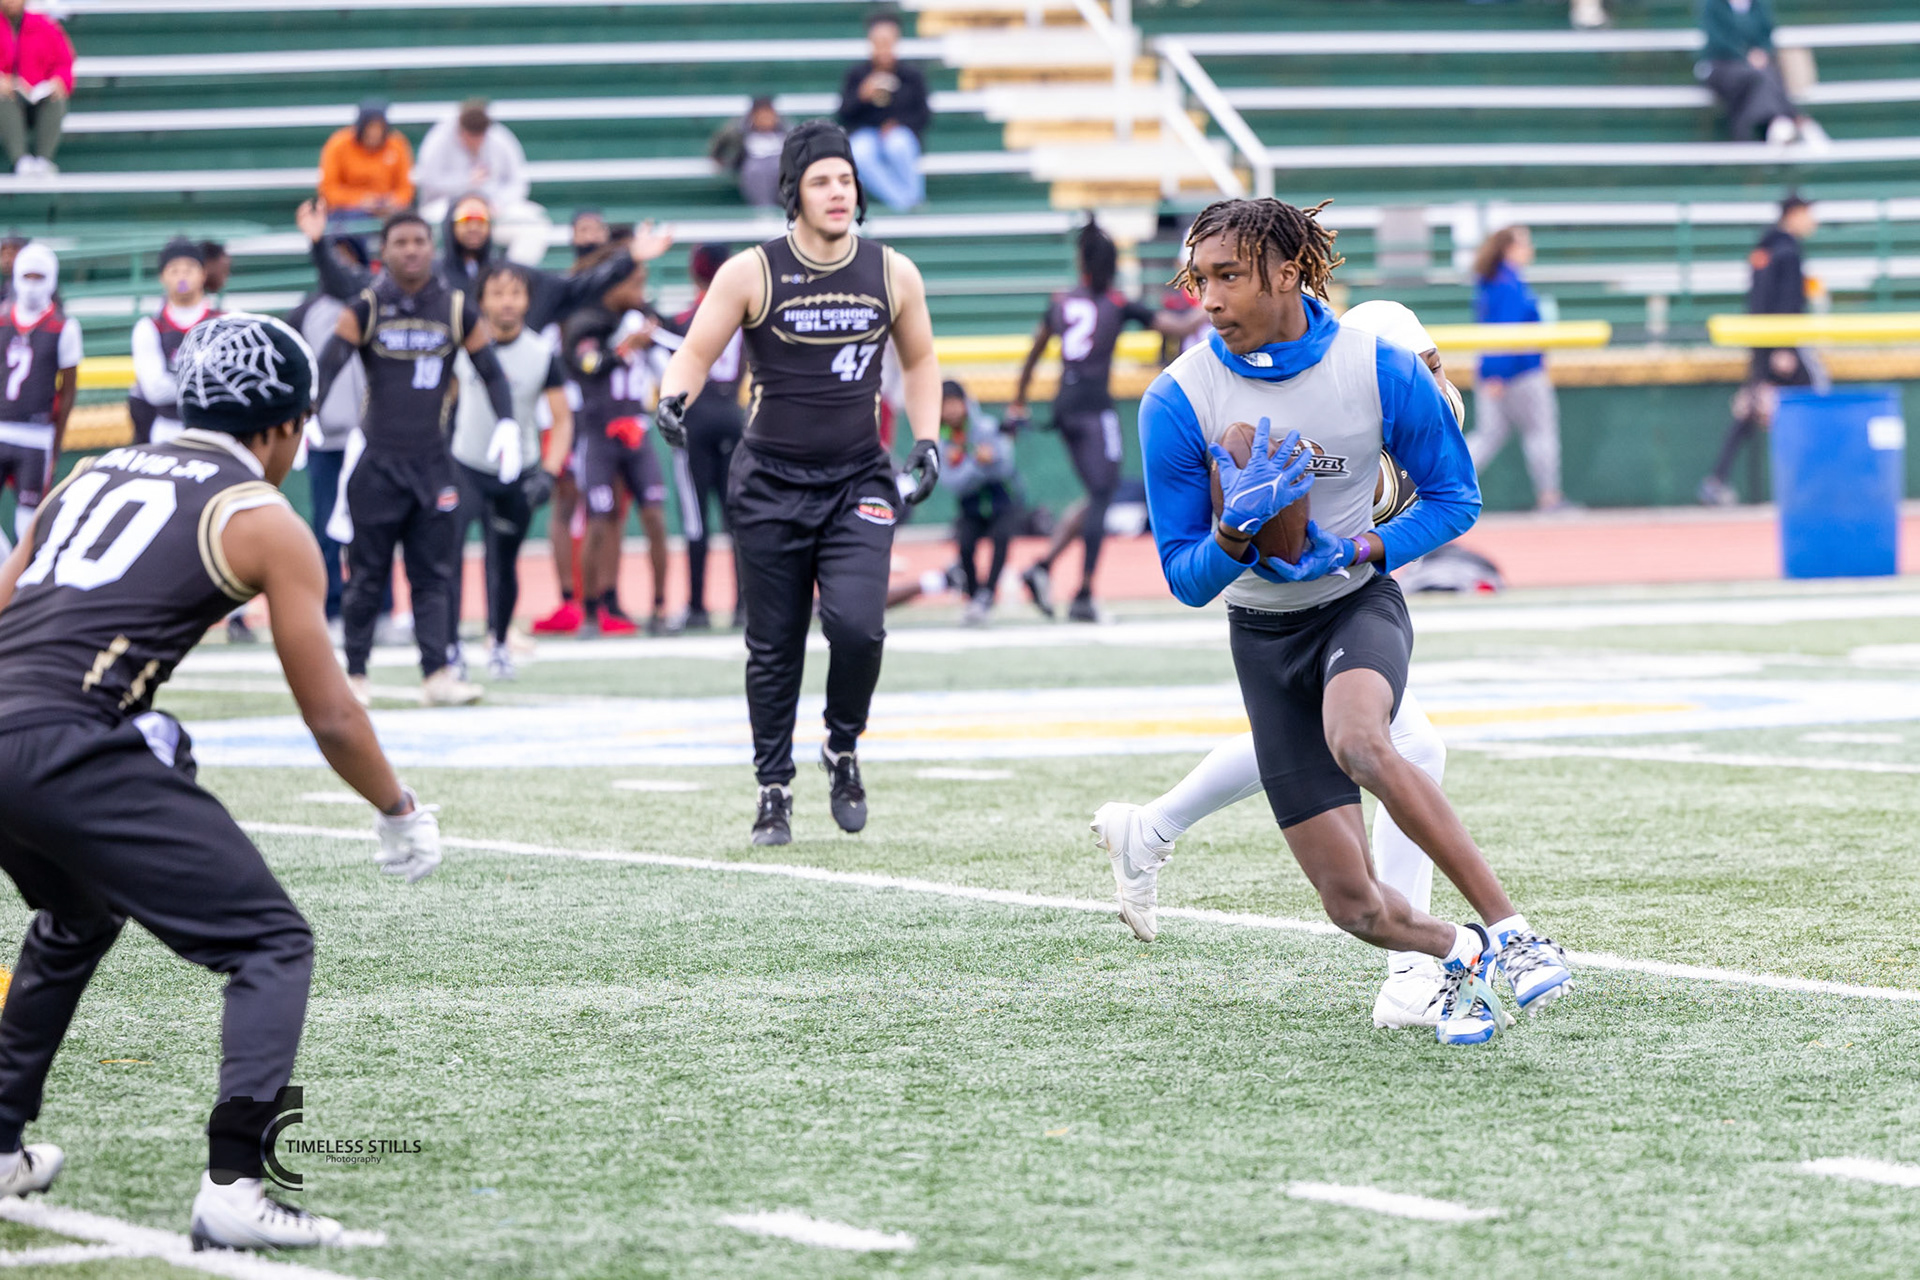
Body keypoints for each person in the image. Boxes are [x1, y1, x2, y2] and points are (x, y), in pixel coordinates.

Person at [0, 312, 443, 1249]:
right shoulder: (259, 515)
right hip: (61, 738)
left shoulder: (86, 477)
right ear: (284, 425)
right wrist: (397, 807)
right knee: (272, 943)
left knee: (78, 914)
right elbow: (330, 714)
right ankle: (237, 1187)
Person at [1136, 196, 1572, 1044]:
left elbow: (1456, 499)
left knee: (1367, 741)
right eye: (1199, 280)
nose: (1209, 299)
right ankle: (1460, 953)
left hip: (1354, 604)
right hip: (1262, 635)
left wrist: (1361, 547)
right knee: (1353, 906)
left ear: (1287, 272)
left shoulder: (1379, 367)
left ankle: (1515, 934)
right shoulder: (1177, 399)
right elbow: (1186, 580)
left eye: (1228, 277)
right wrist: (1234, 535)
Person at [1095, 297, 1471, 1029]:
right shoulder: (1344, 409)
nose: (1434, 379)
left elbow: (1436, 501)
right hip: (1289, 613)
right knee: (1402, 745)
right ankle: (1411, 974)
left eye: (1434, 363)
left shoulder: (1404, 402)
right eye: (1420, 365)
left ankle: (1151, 828)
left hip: (1346, 605)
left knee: (1339, 737)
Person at [656, 120, 943, 845]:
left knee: (858, 627)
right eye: (821, 181)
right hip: (769, 484)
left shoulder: (893, 272)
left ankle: (841, 746)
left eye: (846, 179)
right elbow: (695, 351)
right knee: (774, 643)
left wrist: (927, 438)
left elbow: (919, 362)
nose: (838, 191)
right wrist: (672, 397)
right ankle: (773, 788)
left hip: (859, 480)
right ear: (794, 193)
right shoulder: (751, 271)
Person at [314, 210, 518, 708]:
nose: (411, 250)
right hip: (377, 463)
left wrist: (508, 423)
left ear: (432, 247)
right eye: (401, 241)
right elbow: (330, 361)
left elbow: (491, 370)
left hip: (432, 463)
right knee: (366, 575)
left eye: (419, 241)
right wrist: (309, 413)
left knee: (433, 575)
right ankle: (355, 675)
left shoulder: (456, 308)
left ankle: (437, 674)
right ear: (385, 250)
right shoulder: (366, 306)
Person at [1010, 220, 1202, 622]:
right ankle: (1083, 593)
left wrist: (1018, 403)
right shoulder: (1116, 303)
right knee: (1102, 495)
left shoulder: (1062, 302)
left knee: (1097, 494)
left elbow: (1033, 353)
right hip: (1095, 408)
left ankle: (1043, 567)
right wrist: (1217, 299)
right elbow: (1181, 326)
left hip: (1063, 405)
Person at [448, 264, 571, 678]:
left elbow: (562, 419)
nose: (507, 302)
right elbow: (444, 403)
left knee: (503, 562)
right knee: (448, 558)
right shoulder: (463, 348)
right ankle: (450, 648)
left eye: (515, 293)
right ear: (481, 300)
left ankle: (499, 642)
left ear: (528, 300)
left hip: (517, 472)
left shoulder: (541, 353)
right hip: (466, 465)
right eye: (497, 293)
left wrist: (548, 473)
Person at [563, 249, 673, 636]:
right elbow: (588, 365)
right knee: (597, 521)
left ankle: (659, 608)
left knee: (655, 518)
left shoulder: (644, 318)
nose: (640, 291)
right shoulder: (586, 321)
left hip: (636, 432)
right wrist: (627, 345)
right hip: (599, 433)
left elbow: (670, 360)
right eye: (634, 283)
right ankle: (590, 611)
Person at [1700, 194, 1822, 506]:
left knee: (1752, 408)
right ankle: (1813, 481)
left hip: (1762, 343)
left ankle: (1717, 480)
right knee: (1814, 399)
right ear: (1793, 214)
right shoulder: (1786, 250)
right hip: (1780, 343)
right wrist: (1783, 346)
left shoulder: (1765, 248)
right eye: (1808, 213)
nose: (1813, 221)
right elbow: (1785, 300)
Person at [653, 243, 746, 631]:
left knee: (696, 520)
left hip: (695, 422)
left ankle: (697, 607)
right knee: (737, 518)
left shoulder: (684, 320)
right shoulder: (744, 317)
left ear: (695, 272)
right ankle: (744, 607)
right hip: (733, 418)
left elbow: (668, 348)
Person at [288, 237, 369, 624]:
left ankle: (378, 608)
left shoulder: (373, 304)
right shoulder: (306, 310)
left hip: (368, 437)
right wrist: (305, 417)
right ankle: (331, 608)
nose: (340, 266)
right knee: (326, 528)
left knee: (373, 528)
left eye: (348, 259)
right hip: (325, 438)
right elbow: (292, 364)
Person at [1465, 225, 1567, 512]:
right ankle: (1549, 498)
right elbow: (1505, 331)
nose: (1530, 249)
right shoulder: (1507, 283)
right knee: (1538, 433)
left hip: (1500, 371)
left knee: (1488, 436)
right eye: (1524, 244)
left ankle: (1442, 487)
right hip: (1519, 372)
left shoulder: (1497, 280)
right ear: (1509, 249)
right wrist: (1497, 373)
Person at [0, 242, 77, 555]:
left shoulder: (64, 327)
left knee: (28, 524)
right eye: (27, 276)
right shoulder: (2, 319)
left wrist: (56, 442)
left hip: (36, 435)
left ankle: (19, 578)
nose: (32, 284)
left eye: (39, 276)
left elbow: (68, 390)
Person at [415, 98, 550, 266]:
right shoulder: (439, 139)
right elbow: (428, 180)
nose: (476, 142)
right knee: (423, 228)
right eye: (470, 136)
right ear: (460, 130)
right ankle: (436, 274)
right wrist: (465, 185)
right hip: (446, 209)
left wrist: (496, 203)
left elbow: (518, 183)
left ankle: (512, 274)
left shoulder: (500, 138)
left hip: (493, 209)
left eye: (480, 137)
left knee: (533, 225)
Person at [939, 379, 1019, 626]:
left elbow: (1005, 465)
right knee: (964, 546)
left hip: (1001, 501)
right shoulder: (941, 440)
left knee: (1001, 539)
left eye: (955, 403)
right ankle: (973, 596)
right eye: (945, 405)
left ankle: (988, 594)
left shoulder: (986, 427)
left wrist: (977, 463)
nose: (952, 410)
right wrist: (977, 463)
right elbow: (952, 482)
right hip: (970, 507)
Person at [1696, 0, 1827, 149]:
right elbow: (1717, 40)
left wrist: (1761, 52)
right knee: (1763, 76)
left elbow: (1766, 33)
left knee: (1763, 75)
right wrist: (1746, 56)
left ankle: (1774, 125)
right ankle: (1792, 119)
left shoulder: (1759, 4)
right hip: (1721, 66)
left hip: (1753, 67)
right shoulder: (1713, 4)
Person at [128, 239, 220, 447]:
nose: (182, 276)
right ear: (162, 276)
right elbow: (156, 391)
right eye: (174, 270)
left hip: (214, 429)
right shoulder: (149, 327)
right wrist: (210, 384)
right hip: (167, 429)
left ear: (203, 274)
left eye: (189, 269)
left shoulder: (223, 322)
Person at [836, 11, 930, 212]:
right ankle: (904, 203)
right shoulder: (857, 75)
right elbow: (843, 114)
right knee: (860, 152)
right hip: (866, 132)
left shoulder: (911, 75)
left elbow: (923, 114)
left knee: (898, 144)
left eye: (888, 41)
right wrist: (861, 96)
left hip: (900, 132)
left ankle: (914, 199)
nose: (883, 47)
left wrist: (899, 123)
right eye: (879, 42)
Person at [0, 0, 72, 176]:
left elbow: (64, 63)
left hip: (37, 96)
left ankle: (43, 160)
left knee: (56, 98)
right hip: (8, 99)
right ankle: (20, 160)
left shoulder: (43, 25)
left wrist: (58, 81)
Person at [317, 98, 414, 226]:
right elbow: (329, 190)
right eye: (370, 128)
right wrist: (360, 200)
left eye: (379, 128)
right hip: (348, 212)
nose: (374, 133)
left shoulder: (397, 144)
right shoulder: (339, 145)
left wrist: (392, 201)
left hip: (388, 211)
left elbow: (405, 189)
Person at [710, 96, 789, 209]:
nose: (766, 119)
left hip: (779, 165)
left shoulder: (786, 129)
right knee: (755, 171)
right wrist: (720, 160)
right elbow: (719, 144)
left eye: (769, 115)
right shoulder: (738, 130)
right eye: (761, 115)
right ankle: (764, 209)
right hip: (752, 167)